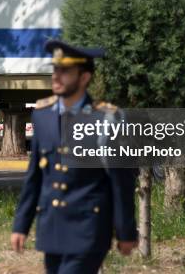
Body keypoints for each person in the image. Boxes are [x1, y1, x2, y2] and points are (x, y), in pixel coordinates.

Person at [10, 39, 138, 274]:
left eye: (65, 71)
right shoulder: (42, 115)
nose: (57, 76)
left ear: (84, 77)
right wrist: (21, 226)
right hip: (52, 227)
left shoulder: (107, 119)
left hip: (88, 228)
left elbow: (121, 181)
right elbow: (34, 177)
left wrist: (126, 231)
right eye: (55, 69)